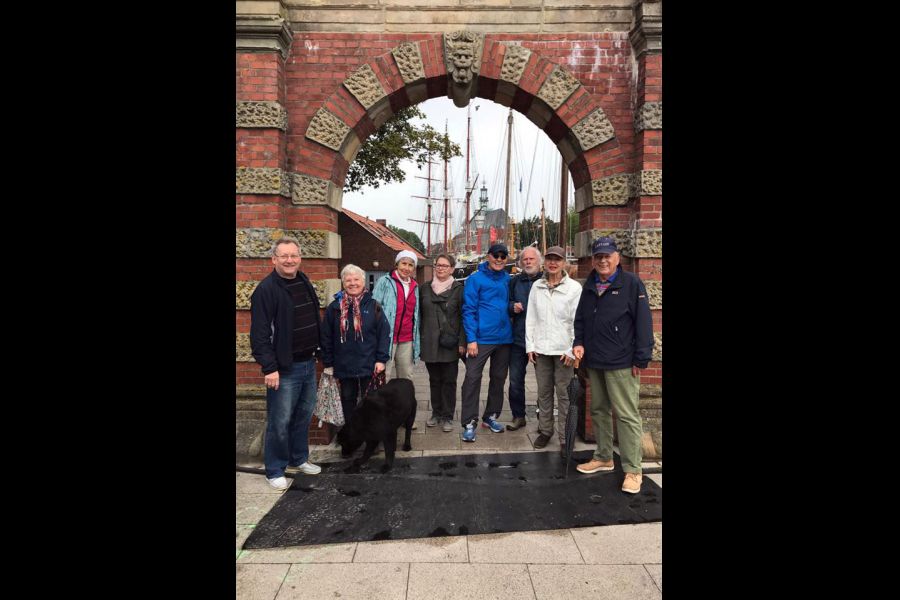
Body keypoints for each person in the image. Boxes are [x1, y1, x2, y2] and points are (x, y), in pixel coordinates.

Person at [573, 236, 654, 494]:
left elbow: (644, 324)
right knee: (598, 410)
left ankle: (633, 469)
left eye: (608, 256)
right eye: (598, 257)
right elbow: (581, 320)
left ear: (617, 258)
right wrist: (578, 342)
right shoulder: (590, 285)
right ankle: (604, 456)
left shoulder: (631, 284)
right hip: (595, 361)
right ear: (594, 260)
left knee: (627, 416)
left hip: (621, 362)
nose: (603, 260)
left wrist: (641, 358)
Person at [249, 237, 324, 490]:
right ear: (274, 259)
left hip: (307, 363)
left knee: (303, 416)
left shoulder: (303, 280)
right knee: (279, 421)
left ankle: (298, 458)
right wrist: (269, 367)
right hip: (284, 369)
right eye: (284, 256)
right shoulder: (266, 290)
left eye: (294, 255)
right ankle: (274, 468)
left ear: (300, 258)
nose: (290, 260)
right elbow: (259, 335)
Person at [320, 264, 391, 445]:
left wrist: (381, 359)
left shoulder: (373, 305)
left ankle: (372, 438)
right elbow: (326, 336)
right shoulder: (334, 308)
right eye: (348, 280)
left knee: (371, 403)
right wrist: (328, 362)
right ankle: (351, 438)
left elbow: (384, 334)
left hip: (369, 364)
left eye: (356, 279)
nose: (352, 283)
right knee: (348, 402)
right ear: (343, 283)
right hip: (344, 365)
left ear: (363, 281)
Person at [524, 246, 582, 455]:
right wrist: (530, 346)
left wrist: (571, 348)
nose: (553, 263)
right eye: (549, 259)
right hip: (541, 349)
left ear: (564, 262)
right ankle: (545, 430)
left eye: (557, 260)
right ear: (544, 262)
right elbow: (531, 318)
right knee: (544, 393)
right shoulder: (537, 286)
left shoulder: (574, 289)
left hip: (562, 351)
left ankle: (565, 436)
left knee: (564, 395)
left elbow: (577, 321)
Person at [459, 243, 513, 442]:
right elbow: (469, 310)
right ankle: (469, 421)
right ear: (488, 257)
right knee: (472, 379)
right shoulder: (475, 279)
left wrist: (512, 307)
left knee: (498, 378)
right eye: (496, 255)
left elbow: (505, 304)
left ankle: (490, 416)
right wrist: (471, 339)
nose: (499, 259)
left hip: (504, 338)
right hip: (481, 339)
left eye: (503, 256)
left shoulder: (508, 279)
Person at [418, 253, 467, 432]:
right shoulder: (424, 289)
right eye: (438, 265)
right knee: (434, 380)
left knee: (449, 381)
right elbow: (419, 316)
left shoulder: (458, 289)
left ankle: (447, 416)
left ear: (452, 269)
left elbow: (464, 317)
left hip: (450, 343)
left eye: (445, 266)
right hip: (430, 342)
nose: (440, 268)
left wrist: (462, 342)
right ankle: (436, 413)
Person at [506, 245, 543, 430]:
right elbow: (507, 303)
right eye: (525, 259)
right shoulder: (514, 282)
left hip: (541, 341)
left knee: (543, 383)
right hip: (519, 338)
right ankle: (518, 416)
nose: (528, 262)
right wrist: (512, 306)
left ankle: (543, 420)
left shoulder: (546, 280)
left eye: (531, 259)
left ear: (539, 261)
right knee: (515, 380)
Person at [372, 250, 421, 382]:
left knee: (406, 375)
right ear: (397, 264)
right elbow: (374, 308)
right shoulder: (385, 281)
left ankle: (403, 402)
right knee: (383, 374)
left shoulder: (415, 286)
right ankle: (380, 402)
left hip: (407, 338)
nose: (406, 268)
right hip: (387, 337)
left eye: (410, 265)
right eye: (403, 263)